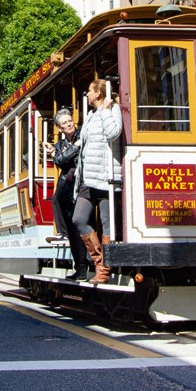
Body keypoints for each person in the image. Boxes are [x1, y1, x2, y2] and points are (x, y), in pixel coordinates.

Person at [72, 79, 123, 284]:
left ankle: (104, 271)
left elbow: (113, 133)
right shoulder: (91, 115)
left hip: (105, 177)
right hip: (87, 178)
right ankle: (99, 262)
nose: (87, 95)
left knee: (107, 224)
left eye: (90, 91)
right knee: (79, 219)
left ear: (99, 94)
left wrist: (106, 110)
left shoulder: (113, 110)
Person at [44, 109, 88, 280]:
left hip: (81, 186)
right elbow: (60, 160)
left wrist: (65, 151)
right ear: (59, 128)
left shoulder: (81, 134)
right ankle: (80, 267)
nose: (69, 124)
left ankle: (88, 264)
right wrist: (62, 151)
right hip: (67, 192)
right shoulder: (61, 144)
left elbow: (63, 159)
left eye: (70, 121)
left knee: (80, 225)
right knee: (72, 227)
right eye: (65, 123)